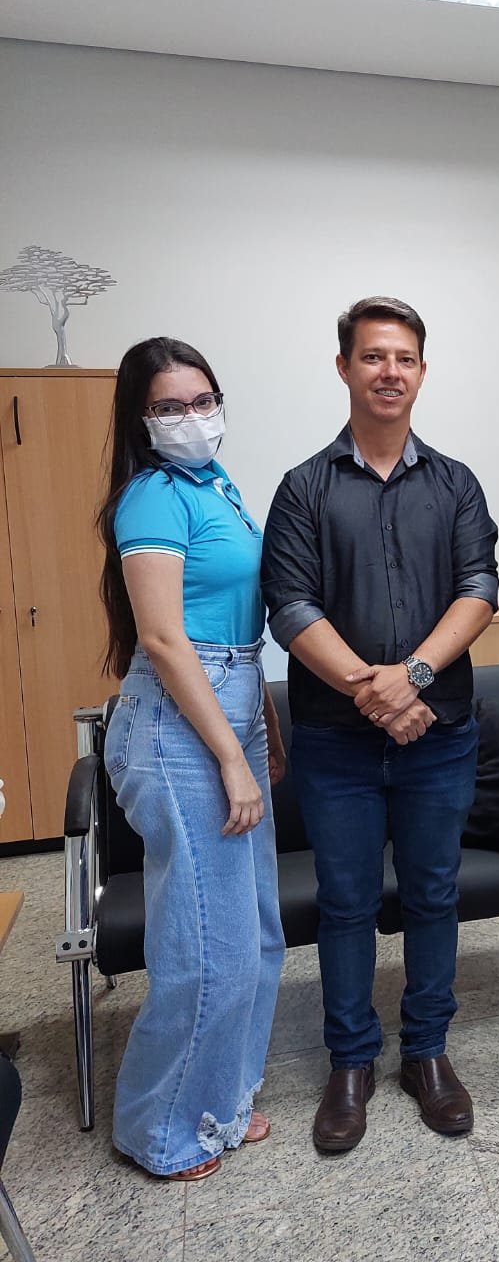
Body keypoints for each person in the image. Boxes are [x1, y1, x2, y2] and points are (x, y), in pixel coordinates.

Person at [261, 297, 498, 1152]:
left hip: (441, 733)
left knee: (435, 893)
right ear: (344, 368)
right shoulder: (304, 489)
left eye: (404, 358)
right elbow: (290, 608)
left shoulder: (457, 484)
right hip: (337, 743)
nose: (389, 371)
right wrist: (375, 690)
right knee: (347, 902)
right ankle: (352, 1061)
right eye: (372, 357)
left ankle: (427, 1053)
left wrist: (416, 678)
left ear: (422, 372)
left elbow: (479, 591)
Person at [97, 337, 286, 1181]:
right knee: (206, 945)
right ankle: (160, 1130)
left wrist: (261, 733)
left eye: (202, 399)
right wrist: (230, 759)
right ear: (142, 419)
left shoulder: (218, 488)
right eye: (169, 407)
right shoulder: (151, 497)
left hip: (233, 705)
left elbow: (240, 621)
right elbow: (166, 641)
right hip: (180, 729)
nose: (191, 418)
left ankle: (221, 1104)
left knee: (253, 934)